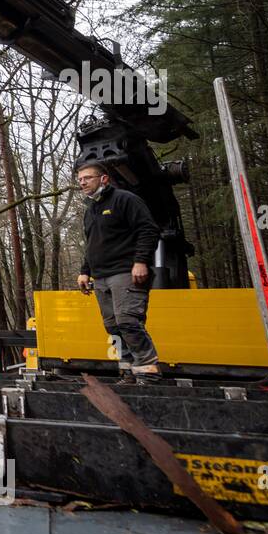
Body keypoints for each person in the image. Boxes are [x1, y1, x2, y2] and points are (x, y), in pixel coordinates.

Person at [75, 160, 161, 383]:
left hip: (126, 271)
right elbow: (92, 244)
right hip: (100, 277)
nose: (82, 182)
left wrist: (141, 261)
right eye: (80, 179)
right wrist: (85, 271)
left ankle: (148, 371)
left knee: (128, 321)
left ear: (104, 179)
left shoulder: (125, 199)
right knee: (112, 326)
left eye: (87, 178)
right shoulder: (90, 210)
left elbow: (148, 229)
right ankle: (128, 372)